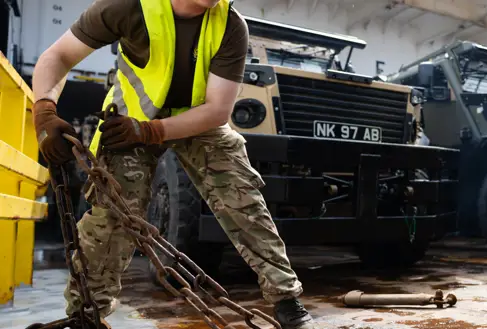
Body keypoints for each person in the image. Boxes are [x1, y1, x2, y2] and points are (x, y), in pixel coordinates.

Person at [30, 0, 316, 328]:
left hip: (196, 122)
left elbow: (217, 110)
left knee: (242, 199)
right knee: (115, 215)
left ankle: (287, 302)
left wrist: (153, 131)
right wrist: (44, 111)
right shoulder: (128, 7)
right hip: (129, 123)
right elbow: (59, 56)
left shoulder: (229, 26)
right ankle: (87, 315)